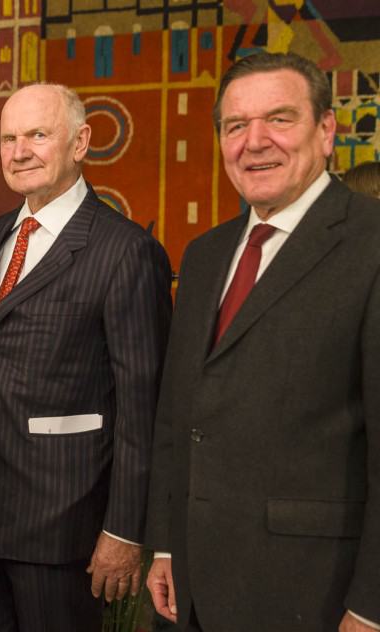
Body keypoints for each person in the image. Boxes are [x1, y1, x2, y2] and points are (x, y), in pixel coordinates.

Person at [144, 52, 380, 632]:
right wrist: (167, 545)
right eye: (235, 125)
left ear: (326, 131)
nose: (255, 142)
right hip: (194, 587)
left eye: (279, 119)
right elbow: (178, 414)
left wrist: (372, 606)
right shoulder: (203, 255)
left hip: (315, 591)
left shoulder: (371, 244)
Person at [0, 83, 173, 632]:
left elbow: (144, 406)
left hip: (62, 522)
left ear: (81, 142)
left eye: (37, 135)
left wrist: (124, 531)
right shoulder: (2, 232)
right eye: (8, 138)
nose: (19, 150)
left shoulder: (126, 251)